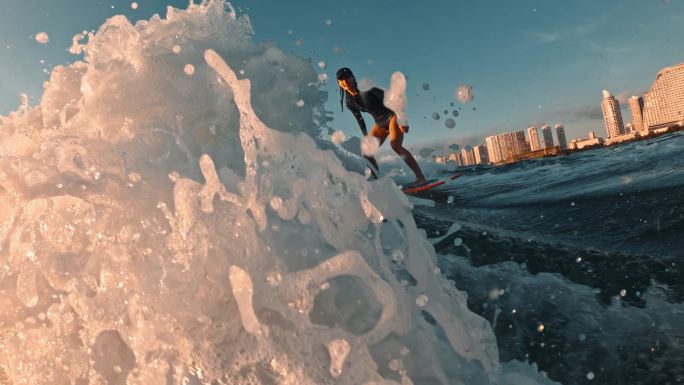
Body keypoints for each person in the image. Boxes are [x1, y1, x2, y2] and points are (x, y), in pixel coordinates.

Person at [336, 67, 427, 185]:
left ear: (353, 78)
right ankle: (377, 182)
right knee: (366, 153)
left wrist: (402, 118)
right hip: (380, 123)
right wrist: (366, 138)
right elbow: (360, 120)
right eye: (341, 79)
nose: (345, 81)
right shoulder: (349, 103)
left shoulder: (367, 89)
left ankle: (421, 178)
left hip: (392, 116)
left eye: (347, 77)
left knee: (395, 145)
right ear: (338, 83)